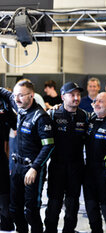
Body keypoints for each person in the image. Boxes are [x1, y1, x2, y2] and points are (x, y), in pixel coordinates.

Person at [0, 80, 55, 233]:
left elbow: (49, 145)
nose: (16, 99)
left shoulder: (41, 117)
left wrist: (35, 168)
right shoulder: (19, 103)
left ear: (32, 96)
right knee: (14, 209)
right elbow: (6, 93)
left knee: (30, 212)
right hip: (16, 167)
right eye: (15, 95)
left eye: (21, 96)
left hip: (32, 169)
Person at [44, 82, 89, 233]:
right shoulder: (53, 114)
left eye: (78, 95)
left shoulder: (84, 116)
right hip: (57, 165)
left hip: (76, 167)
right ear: (63, 97)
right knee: (54, 204)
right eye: (72, 95)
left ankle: (69, 230)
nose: (76, 98)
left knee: (72, 204)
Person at [83, 92, 106, 233]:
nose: (96, 104)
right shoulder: (90, 119)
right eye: (95, 101)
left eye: (101, 102)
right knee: (91, 209)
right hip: (89, 172)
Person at [0, 96, 16, 231]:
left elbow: (16, 123)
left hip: (0, 159)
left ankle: (6, 222)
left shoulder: (2, 102)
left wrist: (8, 107)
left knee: (4, 191)